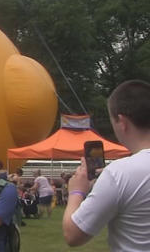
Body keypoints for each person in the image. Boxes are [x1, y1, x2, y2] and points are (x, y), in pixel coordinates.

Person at [63, 79, 150, 250]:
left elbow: (72, 235)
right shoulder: (118, 174)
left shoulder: (119, 173)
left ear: (122, 122)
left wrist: (76, 191)